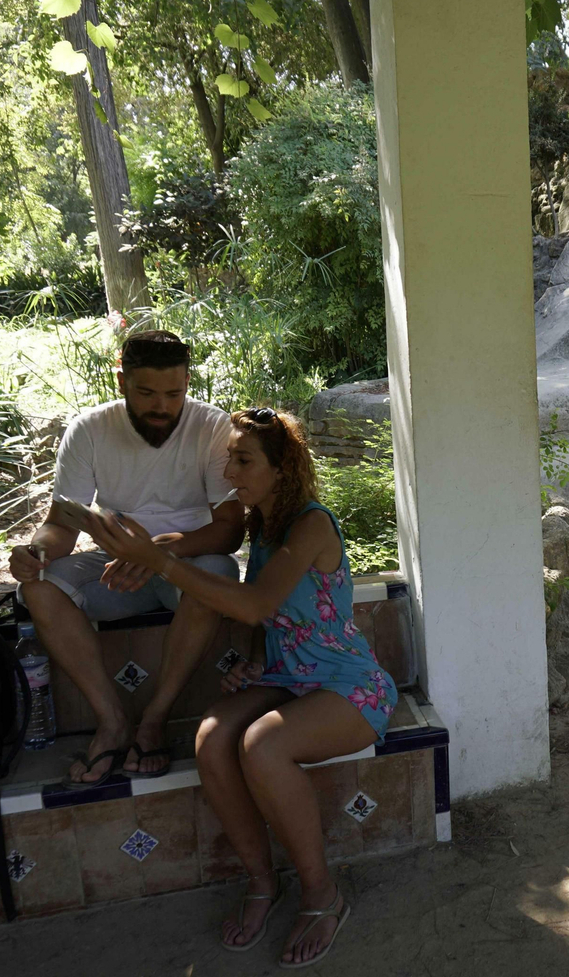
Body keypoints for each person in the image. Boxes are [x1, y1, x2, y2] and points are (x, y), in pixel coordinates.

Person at [91, 407, 396, 968]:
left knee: (263, 745)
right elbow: (271, 618)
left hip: (349, 686)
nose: (230, 473)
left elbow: (256, 603)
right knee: (212, 735)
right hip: (286, 680)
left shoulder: (311, 524)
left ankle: (323, 895)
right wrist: (254, 661)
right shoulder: (263, 527)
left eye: (243, 460)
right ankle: (262, 883)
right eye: (229, 458)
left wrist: (158, 558)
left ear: (283, 469)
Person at [8, 331, 244, 784]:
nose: (162, 406)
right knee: (36, 587)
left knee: (219, 572)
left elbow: (230, 530)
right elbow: (62, 522)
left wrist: (157, 555)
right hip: (116, 573)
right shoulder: (90, 429)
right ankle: (113, 722)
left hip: (186, 566)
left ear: (188, 383)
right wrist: (35, 551)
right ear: (121, 382)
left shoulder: (212, 427)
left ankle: (154, 719)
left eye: (174, 394)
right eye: (147, 393)